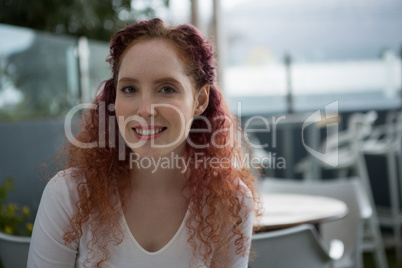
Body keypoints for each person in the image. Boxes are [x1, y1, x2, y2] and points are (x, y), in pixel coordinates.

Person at [27, 18, 259, 268]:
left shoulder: (231, 202)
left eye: (167, 89)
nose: (145, 109)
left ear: (200, 100)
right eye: (129, 89)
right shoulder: (69, 194)